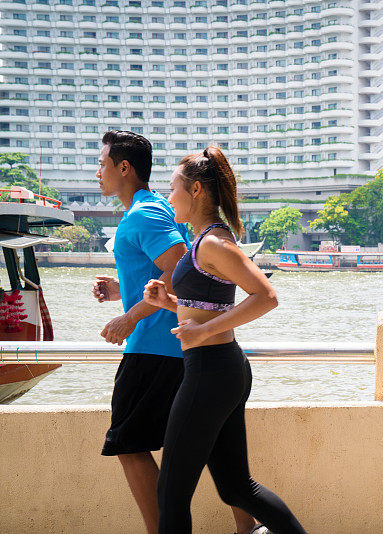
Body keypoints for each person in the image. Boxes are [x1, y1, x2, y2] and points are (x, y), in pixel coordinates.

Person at [93, 131, 266, 534]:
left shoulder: (146, 214)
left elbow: (176, 271)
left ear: (124, 167)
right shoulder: (149, 209)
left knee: (129, 444)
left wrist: (130, 317)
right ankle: (249, 528)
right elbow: (176, 275)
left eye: (102, 163)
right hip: (179, 347)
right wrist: (122, 290)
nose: (97, 172)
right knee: (219, 462)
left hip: (157, 348)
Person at [143, 147, 306, 534]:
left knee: (170, 494)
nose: (169, 199)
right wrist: (169, 303)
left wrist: (202, 331)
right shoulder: (203, 241)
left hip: (212, 372)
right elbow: (206, 305)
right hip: (216, 370)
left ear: (196, 190)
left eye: (173, 189)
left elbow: (265, 295)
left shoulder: (215, 242)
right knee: (236, 487)